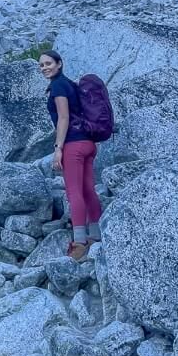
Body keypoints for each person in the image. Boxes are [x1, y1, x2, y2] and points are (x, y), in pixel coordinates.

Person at [38, 49, 102, 260]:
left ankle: (79, 244)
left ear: (59, 64)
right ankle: (96, 235)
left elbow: (63, 118)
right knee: (88, 190)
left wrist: (58, 148)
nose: (45, 68)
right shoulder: (71, 85)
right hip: (88, 143)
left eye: (48, 63)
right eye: (42, 65)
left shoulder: (58, 86)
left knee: (74, 193)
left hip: (73, 145)